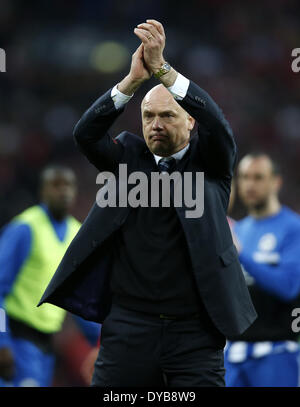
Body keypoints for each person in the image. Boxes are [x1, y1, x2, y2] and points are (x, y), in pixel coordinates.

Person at [38, 19, 256, 387]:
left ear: (190, 121)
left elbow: (218, 126)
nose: (155, 124)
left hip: (195, 330)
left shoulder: (211, 163)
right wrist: (132, 82)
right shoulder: (127, 159)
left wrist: (165, 72)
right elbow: (85, 134)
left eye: (167, 115)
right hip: (129, 326)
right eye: (148, 116)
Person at [0, 165, 100, 386]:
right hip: (16, 341)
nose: (63, 191)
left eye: (68, 185)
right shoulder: (25, 229)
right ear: (42, 192)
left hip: (45, 347)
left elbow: (80, 301)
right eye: (56, 185)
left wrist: (102, 343)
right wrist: (2, 341)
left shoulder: (77, 234)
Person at [224, 153, 300, 387]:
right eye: (244, 177)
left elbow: (289, 287)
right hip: (232, 353)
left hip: (275, 353)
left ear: (276, 182)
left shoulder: (293, 228)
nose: (250, 184)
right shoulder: (240, 229)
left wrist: (242, 255)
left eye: (258, 177)